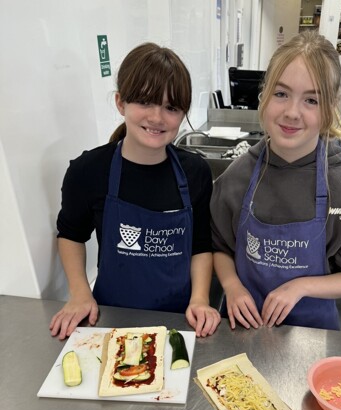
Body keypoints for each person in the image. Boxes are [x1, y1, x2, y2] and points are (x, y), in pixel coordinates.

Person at [210, 30, 341, 332]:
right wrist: (231, 285)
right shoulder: (236, 177)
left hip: (313, 333)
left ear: (331, 106)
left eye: (311, 100)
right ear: (264, 95)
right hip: (242, 328)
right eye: (281, 94)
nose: (292, 112)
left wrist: (300, 287)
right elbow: (220, 247)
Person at [50, 42, 221, 340]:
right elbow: (71, 234)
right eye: (145, 102)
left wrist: (200, 299)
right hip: (110, 319)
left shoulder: (196, 173)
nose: (157, 117)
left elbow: (200, 245)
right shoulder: (88, 171)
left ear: (183, 113)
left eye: (171, 107)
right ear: (121, 103)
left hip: (180, 322)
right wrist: (79, 293)